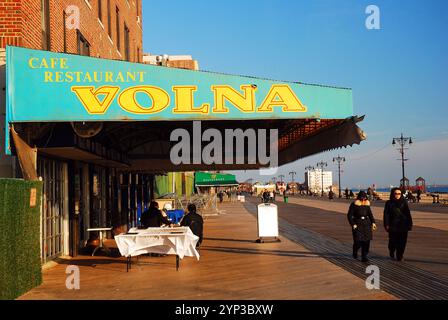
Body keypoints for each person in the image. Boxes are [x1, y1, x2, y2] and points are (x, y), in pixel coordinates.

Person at [383, 188, 413, 261]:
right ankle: (392, 250)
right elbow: (386, 215)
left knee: (403, 241)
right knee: (392, 241)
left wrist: (410, 223)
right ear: (393, 194)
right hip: (393, 225)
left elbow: (408, 214)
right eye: (396, 193)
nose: (397, 195)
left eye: (399, 194)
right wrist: (386, 224)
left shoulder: (404, 202)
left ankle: (400, 255)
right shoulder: (389, 203)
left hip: (403, 225)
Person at [347, 190, 377, 262]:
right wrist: (353, 224)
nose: (363, 200)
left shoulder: (367, 205)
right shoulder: (354, 204)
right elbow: (349, 215)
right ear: (359, 198)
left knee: (367, 241)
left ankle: (364, 256)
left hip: (367, 225)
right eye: (362, 198)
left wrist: (373, 222)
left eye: (364, 198)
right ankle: (355, 250)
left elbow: (370, 214)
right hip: (357, 225)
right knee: (358, 241)